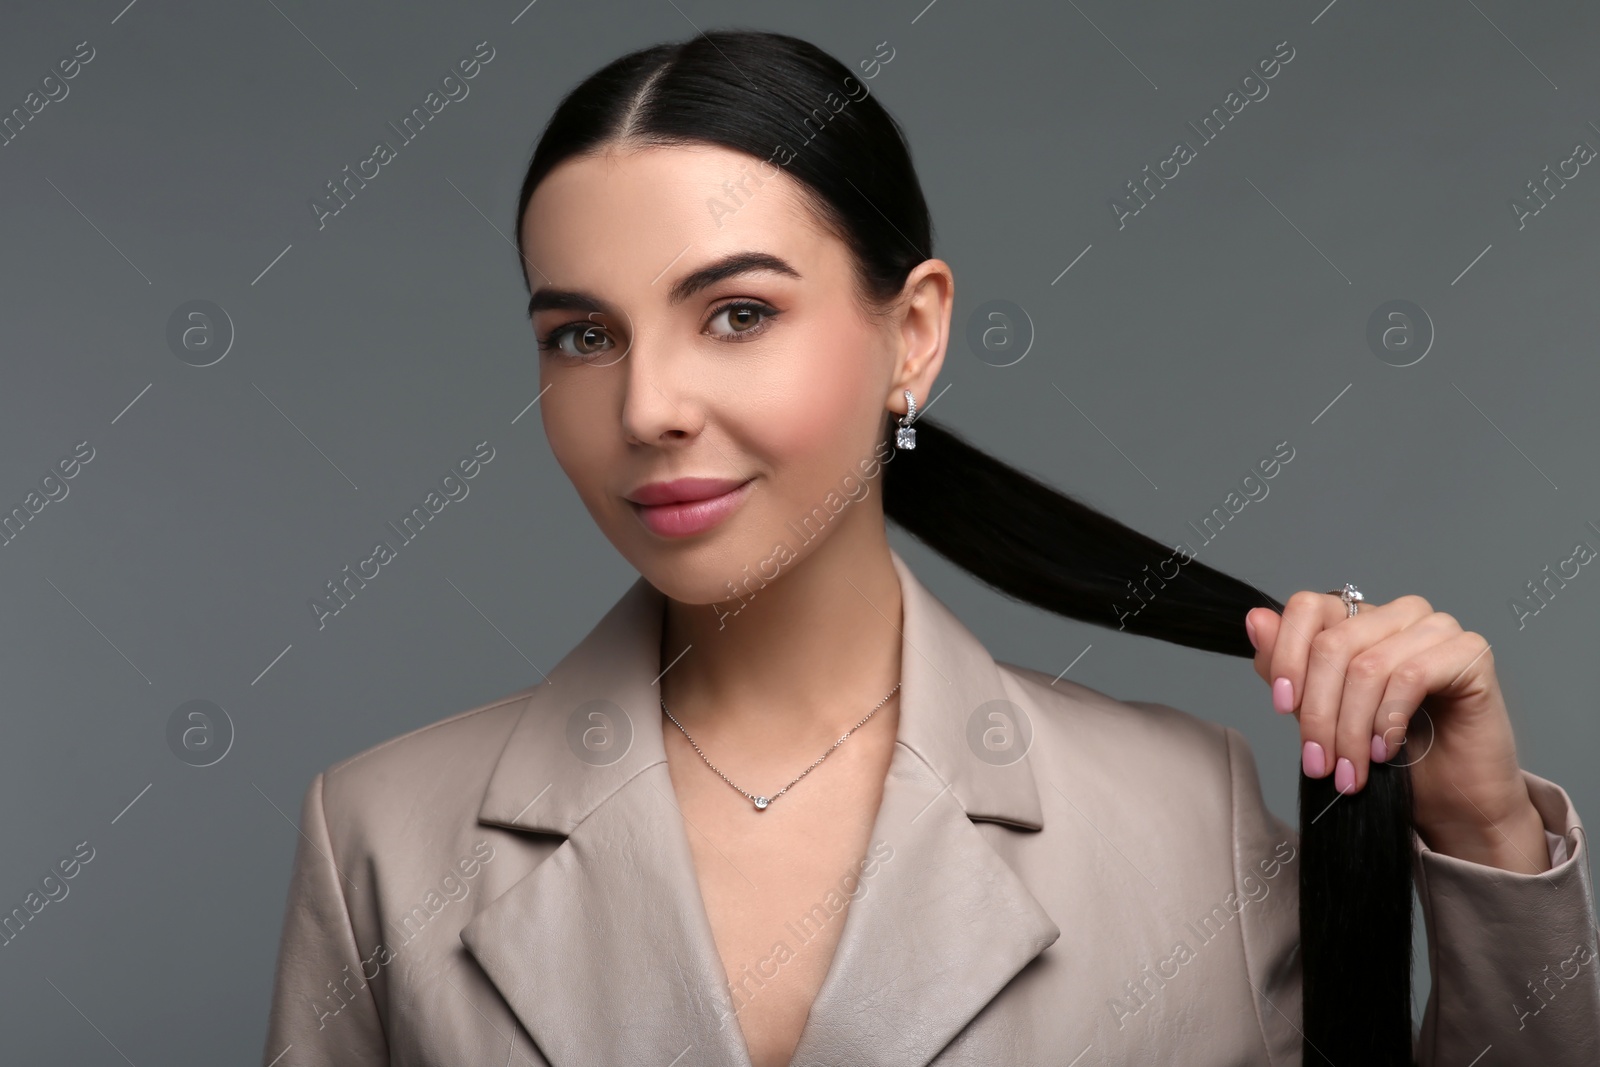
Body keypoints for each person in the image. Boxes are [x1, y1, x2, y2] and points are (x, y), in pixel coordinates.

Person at [262, 29, 1600, 1067]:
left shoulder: (1179, 818)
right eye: (583, 335)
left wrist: (1479, 833)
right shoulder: (383, 834)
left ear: (912, 337)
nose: (649, 407)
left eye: (735, 314)